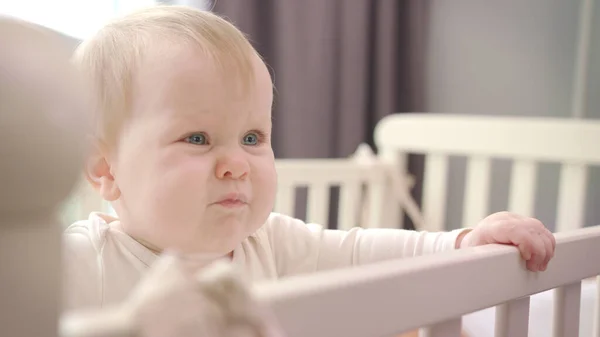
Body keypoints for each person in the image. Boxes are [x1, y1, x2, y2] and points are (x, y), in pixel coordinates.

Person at [63, 5, 555, 319]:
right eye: (198, 138)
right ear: (105, 170)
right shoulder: (86, 261)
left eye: (253, 136)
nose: (236, 163)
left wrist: (463, 242)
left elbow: (366, 253)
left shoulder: (271, 243)